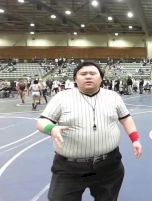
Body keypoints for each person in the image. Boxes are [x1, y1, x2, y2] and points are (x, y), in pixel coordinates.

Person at [36, 61, 142, 201]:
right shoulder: (61, 98)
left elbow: (126, 118)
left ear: (101, 78)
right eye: (83, 74)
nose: (88, 77)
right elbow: (42, 122)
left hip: (109, 165)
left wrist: (135, 140)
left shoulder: (113, 97)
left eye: (92, 73)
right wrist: (52, 128)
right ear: (75, 79)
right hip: (69, 168)